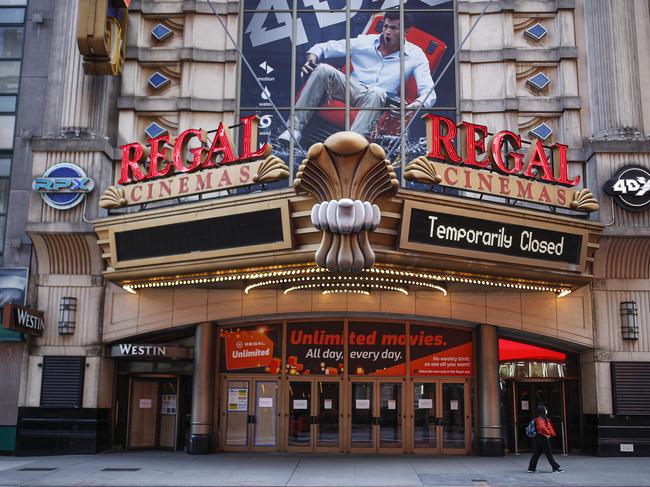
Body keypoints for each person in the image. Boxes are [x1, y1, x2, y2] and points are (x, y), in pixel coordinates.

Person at [278, 10, 436, 144]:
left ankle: (351, 144)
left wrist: (412, 106)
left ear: (406, 32)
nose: (387, 32)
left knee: (378, 92)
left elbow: (429, 93)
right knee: (323, 69)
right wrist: (311, 60)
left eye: (393, 28)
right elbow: (324, 47)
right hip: (351, 87)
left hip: (378, 98)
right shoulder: (365, 42)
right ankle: (293, 131)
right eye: (385, 26)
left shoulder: (415, 55)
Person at [527, 405, 564, 473]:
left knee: (536, 453)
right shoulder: (541, 419)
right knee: (548, 453)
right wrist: (548, 433)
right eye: (545, 409)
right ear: (543, 411)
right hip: (543, 437)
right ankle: (555, 468)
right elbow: (542, 428)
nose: (546, 410)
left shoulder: (538, 418)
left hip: (538, 437)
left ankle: (531, 468)